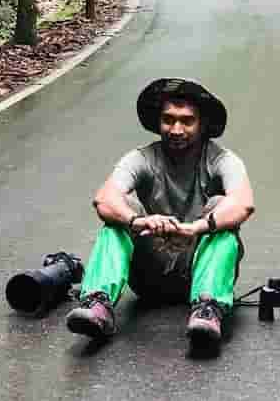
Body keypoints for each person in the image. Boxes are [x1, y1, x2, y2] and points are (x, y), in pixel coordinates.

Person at [66, 78, 254, 348]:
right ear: (158, 122)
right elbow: (104, 199)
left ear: (202, 125)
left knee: (220, 206)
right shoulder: (141, 158)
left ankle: (209, 309)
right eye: (168, 120)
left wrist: (196, 228)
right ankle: (97, 303)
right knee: (121, 211)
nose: (176, 129)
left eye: (187, 121)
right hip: (149, 274)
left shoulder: (222, 160)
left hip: (197, 270)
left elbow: (243, 204)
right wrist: (139, 220)